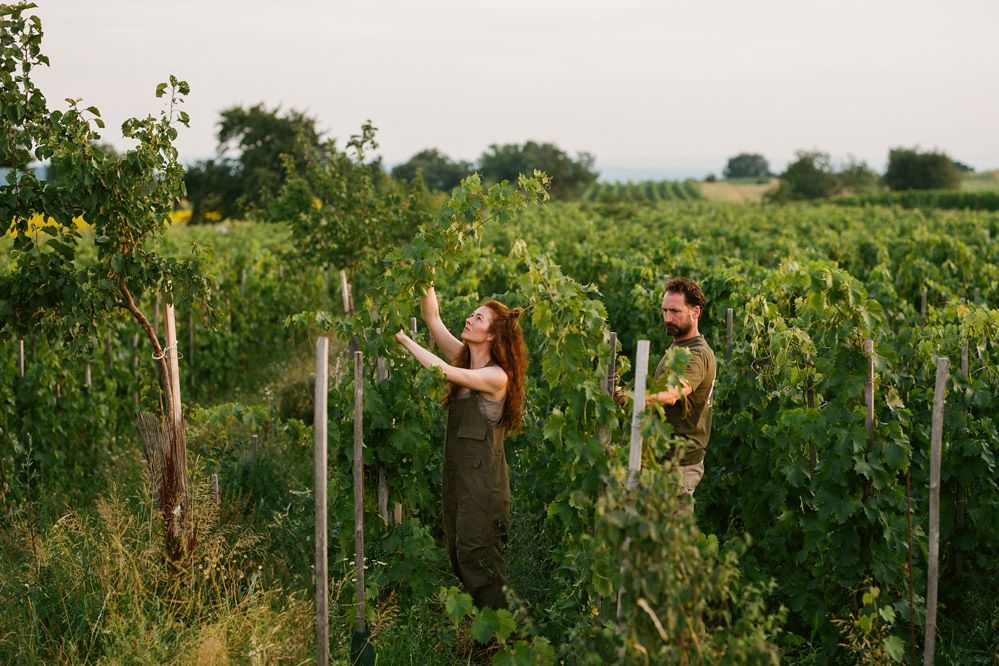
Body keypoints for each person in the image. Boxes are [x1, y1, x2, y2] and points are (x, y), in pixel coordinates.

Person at [394, 281, 527, 610]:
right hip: (458, 480)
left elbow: (442, 370)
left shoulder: (496, 377)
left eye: (478, 319)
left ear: (493, 335)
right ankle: (488, 634)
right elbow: (433, 317)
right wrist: (428, 279)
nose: (469, 319)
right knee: (459, 554)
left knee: (480, 559)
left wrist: (404, 340)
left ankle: (509, 636)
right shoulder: (465, 361)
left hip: (483, 487)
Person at [645, 277, 716, 516]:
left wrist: (638, 397)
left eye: (675, 311)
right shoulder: (679, 346)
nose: (667, 318)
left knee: (671, 541)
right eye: (665, 310)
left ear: (695, 312)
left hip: (680, 465)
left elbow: (674, 393)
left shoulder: (697, 355)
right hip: (664, 458)